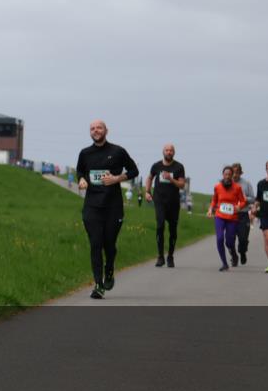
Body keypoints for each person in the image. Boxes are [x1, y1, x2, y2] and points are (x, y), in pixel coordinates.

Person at [77, 120, 139, 299]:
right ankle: (98, 284)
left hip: (113, 206)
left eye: (99, 128)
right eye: (92, 128)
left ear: (106, 131)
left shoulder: (118, 151)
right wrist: (81, 179)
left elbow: (134, 170)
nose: (95, 131)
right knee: (95, 244)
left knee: (109, 245)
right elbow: (80, 171)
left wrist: (117, 179)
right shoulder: (85, 153)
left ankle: (109, 268)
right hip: (92, 206)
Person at [144, 144, 186, 268]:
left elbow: (182, 185)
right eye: (167, 150)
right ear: (163, 152)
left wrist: (171, 179)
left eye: (171, 150)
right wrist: (147, 191)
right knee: (160, 225)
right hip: (159, 201)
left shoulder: (179, 167)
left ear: (174, 153)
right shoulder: (156, 166)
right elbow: (149, 178)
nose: (169, 152)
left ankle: (170, 257)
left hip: (173, 202)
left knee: (172, 230)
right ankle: (160, 256)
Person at [206, 166, 247, 271]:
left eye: (229, 174)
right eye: (226, 174)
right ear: (223, 175)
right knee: (219, 239)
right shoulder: (217, 187)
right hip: (220, 216)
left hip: (232, 218)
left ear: (232, 175)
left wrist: (239, 206)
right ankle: (224, 263)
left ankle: (234, 254)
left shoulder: (237, 187)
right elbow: (214, 200)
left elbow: (243, 201)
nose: (227, 176)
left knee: (229, 242)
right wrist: (210, 209)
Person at [231, 163, 255, 265]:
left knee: (243, 239)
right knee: (230, 239)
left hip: (243, 214)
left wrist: (244, 198)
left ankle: (242, 252)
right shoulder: (226, 183)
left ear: (241, 173)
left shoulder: (246, 183)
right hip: (230, 215)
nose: (235, 175)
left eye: (237, 172)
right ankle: (234, 256)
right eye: (233, 172)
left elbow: (253, 199)